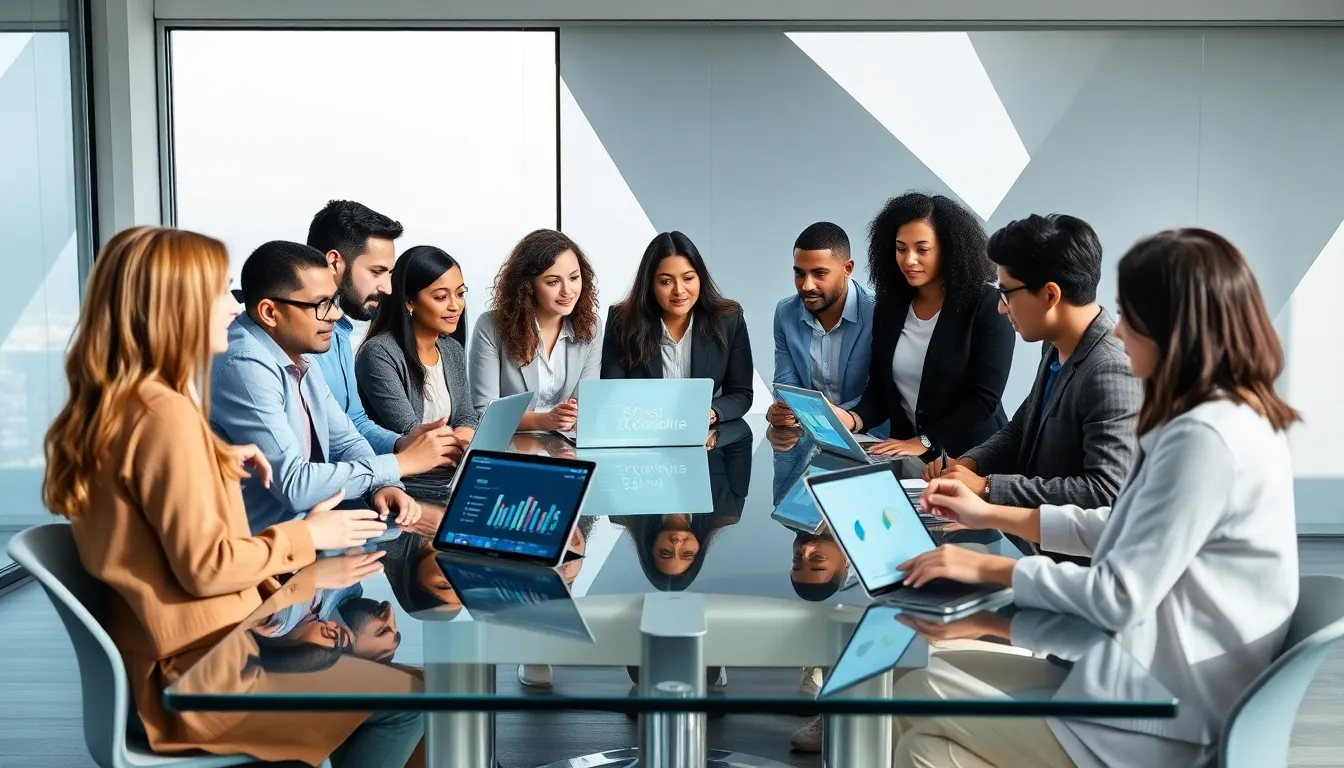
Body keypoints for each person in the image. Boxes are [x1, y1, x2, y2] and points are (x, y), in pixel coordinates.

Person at [896, 228, 1300, 768]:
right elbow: (1121, 525)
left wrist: (989, 569)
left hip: (1159, 715)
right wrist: (988, 517)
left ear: (1173, 326)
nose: (1120, 329)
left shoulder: (1205, 439)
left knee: (914, 695)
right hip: (1141, 679)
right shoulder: (1223, 418)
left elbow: (1118, 593)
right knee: (916, 718)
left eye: (1131, 315)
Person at [42, 226, 422, 767]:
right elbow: (205, 568)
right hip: (205, 678)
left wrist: (217, 465)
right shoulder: (164, 416)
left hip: (200, 652)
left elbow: (170, 546)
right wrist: (307, 534)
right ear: (173, 309)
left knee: (396, 686)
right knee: (411, 697)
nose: (231, 307)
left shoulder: (130, 406)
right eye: (218, 292)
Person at [924, 214, 1141, 517]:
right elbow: (1021, 427)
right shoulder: (1053, 344)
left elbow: (1104, 491)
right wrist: (969, 465)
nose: (1001, 308)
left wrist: (987, 487)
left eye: (1006, 293)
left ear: (1050, 295)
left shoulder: (1110, 370)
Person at [211, 240, 431, 533]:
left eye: (335, 300)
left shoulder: (298, 353)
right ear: (269, 313)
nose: (336, 315)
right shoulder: (244, 363)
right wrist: (402, 464)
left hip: (311, 534)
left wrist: (385, 484)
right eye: (321, 304)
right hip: (260, 549)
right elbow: (294, 486)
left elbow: (346, 442)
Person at [833, 193, 1014, 460]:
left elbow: (983, 399)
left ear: (948, 249)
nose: (909, 260)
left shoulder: (987, 305)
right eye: (901, 248)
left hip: (975, 460)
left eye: (922, 249)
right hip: (910, 458)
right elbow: (881, 390)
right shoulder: (890, 306)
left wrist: (926, 441)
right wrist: (852, 419)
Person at [306, 199, 454, 464]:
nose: (388, 288)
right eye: (377, 272)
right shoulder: (295, 341)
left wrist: (401, 443)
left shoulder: (340, 333)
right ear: (334, 262)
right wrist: (395, 469)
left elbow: (355, 422)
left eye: (389, 274)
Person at [601, 231, 753, 424]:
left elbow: (741, 394)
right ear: (650, 284)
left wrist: (712, 412)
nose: (679, 290)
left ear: (700, 278)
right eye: (666, 281)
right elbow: (611, 395)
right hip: (644, 430)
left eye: (688, 278)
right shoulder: (622, 321)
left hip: (703, 435)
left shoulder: (728, 319)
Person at [469, 229, 602, 432]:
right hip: (509, 444)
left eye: (574, 278)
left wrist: (567, 418)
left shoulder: (591, 326)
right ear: (528, 285)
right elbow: (484, 413)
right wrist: (544, 420)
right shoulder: (490, 327)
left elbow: (586, 408)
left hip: (565, 443)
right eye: (553, 282)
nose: (567, 291)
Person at [355, 245, 479, 442]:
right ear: (409, 302)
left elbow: (467, 417)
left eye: (460, 294)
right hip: (405, 460)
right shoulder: (379, 353)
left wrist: (463, 441)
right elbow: (409, 431)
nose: (455, 306)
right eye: (441, 297)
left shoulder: (451, 349)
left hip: (448, 457)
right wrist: (457, 443)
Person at [769, 221, 876, 428]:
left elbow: (881, 393)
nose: (806, 285)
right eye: (799, 273)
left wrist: (828, 417)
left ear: (847, 269)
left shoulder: (877, 312)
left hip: (871, 435)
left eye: (819, 273)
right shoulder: (785, 313)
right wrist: (783, 411)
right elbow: (786, 384)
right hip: (811, 434)